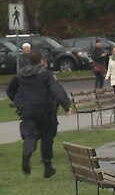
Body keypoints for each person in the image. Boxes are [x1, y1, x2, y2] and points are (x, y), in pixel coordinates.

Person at [6, 50, 72, 178]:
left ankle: (27, 152)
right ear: (41, 61)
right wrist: (66, 105)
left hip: (27, 109)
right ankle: (47, 166)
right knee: (47, 136)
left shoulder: (21, 74)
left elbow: (10, 90)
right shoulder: (46, 74)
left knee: (29, 135)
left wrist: (19, 101)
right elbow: (56, 90)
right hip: (45, 109)